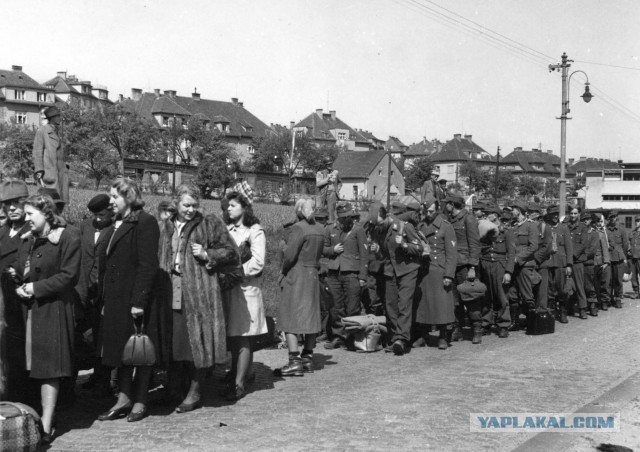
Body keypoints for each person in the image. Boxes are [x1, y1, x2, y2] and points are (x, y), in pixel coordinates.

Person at [10, 194, 80, 444]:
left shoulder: (68, 236)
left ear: (46, 213)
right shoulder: (29, 238)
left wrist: (35, 288)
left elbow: (68, 276)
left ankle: (47, 425)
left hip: (54, 309)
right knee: (33, 366)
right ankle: (34, 418)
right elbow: (22, 267)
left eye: (30, 214)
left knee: (49, 369)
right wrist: (18, 277)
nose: (26, 218)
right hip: (31, 310)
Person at [98, 177, 160, 423]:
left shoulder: (145, 222)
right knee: (121, 351)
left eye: (115, 196)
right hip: (115, 298)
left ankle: (141, 400)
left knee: (139, 350)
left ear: (129, 197)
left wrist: (139, 302)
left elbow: (147, 266)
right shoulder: (117, 222)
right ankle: (123, 398)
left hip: (133, 299)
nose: (110, 201)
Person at [222, 190, 268, 401]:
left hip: (246, 289)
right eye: (227, 205)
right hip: (229, 289)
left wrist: (234, 272)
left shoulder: (255, 231)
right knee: (233, 334)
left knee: (242, 336)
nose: (228, 208)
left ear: (244, 207)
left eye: (232, 205)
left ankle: (239, 384)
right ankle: (241, 372)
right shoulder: (227, 229)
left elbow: (258, 261)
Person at [275, 198, 324, 376]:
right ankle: (307, 358)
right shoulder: (320, 229)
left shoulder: (299, 228)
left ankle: (294, 360)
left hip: (297, 276)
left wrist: (282, 267)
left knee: (289, 317)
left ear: (301, 210)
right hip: (313, 275)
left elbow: (290, 256)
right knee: (311, 317)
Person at [75, 194, 115, 394]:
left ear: (110, 212)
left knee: (103, 336)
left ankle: (104, 377)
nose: (99, 219)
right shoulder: (84, 226)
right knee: (85, 334)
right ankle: (92, 374)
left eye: (102, 215)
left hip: (103, 290)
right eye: (95, 215)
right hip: (84, 287)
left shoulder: (115, 228)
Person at [372, 201, 423, 355]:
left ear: (386, 216)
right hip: (390, 270)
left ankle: (402, 338)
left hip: (407, 270)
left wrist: (406, 246)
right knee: (391, 305)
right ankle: (395, 337)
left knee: (404, 304)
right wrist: (377, 251)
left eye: (379, 222)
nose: (378, 226)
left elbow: (419, 248)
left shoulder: (403, 226)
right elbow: (384, 255)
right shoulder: (379, 229)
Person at [0, 179, 31, 402]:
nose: (11, 208)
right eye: (6, 203)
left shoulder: (32, 231)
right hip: (3, 303)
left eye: (16, 203)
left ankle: (25, 402)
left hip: (24, 302)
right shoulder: (2, 232)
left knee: (23, 353)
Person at [413, 195, 456, 350]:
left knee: (441, 305)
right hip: (424, 270)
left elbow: (452, 253)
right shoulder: (421, 226)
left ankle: (443, 337)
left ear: (437, 210)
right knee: (423, 305)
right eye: (426, 211)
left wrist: (449, 275)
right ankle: (423, 336)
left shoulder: (446, 226)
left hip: (440, 269)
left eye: (431, 211)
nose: (429, 214)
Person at [323, 203, 368, 349]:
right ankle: (338, 336)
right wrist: (332, 250)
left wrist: (362, 276)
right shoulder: (330, 229)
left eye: (347, 217)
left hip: (352, 272)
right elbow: (323, 248)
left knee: (353, 307)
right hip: (334, 272)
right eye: (342, 218)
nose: (345, 220)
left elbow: (364, 254)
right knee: (336, 307)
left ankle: (353, 337)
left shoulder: (358, 230)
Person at [444, 194, 481, 343]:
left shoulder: (468, 219)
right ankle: (457, 329)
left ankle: (477, 330)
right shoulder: (449, 220)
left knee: (470, 298)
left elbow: (474, 244)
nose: (445, 206)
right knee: (454, 300)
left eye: (447, 203)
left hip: (465, 265)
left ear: (452, 205)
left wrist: (473, 266)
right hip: (452, 264)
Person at [478, 205, 514, 338]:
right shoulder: (483, 230)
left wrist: (508, 272)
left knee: (502, 296)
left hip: (499, 265)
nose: (486, 215)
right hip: (485, 264)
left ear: (496, 215)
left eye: (489, 214)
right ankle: (486, 323)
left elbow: (511, 253)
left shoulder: (506, 232)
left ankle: (503, 324)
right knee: (486, 295)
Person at [506, 202, 539, 331]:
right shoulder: (513, 227)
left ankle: (533, 322)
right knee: (513, 294)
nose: (511, 211)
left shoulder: (531, 226)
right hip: (513, 265)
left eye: (513, 209)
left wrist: (519, 258)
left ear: (519, 210)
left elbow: (533, 246)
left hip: (525, 265)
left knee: (527, 294)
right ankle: (515, 322)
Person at [537, 206, 573, 323]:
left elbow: (569, 247)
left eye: (557, 214)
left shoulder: (564, 228)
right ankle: (551, 312)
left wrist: (569, 264)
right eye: (553, 214)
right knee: (548, 289)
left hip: (560, 263)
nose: (555, 216)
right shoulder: (544, 227)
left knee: (561, 289)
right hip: (547, 262)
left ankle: (563, 312)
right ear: (548, 215)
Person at [32, 105, 69, 205]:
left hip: (60, 172)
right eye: (58, 116)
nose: (60, 118)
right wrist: (39, 170)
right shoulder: (42, 131)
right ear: (52, 118)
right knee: (48, 202)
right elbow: (37, 152)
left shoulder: (57, 132)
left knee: (60, 202)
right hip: (49, 173)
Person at [567, 206, 590, 319]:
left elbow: (583, 244)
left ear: (579, 214)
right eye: (571, 213)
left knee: (579, 286)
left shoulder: (583, 227)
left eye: (575, 213)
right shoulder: (565, 226)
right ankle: (569, 307)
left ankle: (582, 309)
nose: (573, 216)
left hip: (577, 261)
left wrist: (571, 255)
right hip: (566, 261)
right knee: (566, 286)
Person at [605, 211, 628, 309]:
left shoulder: (622, 229)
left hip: (619, 258)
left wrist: (623, 257)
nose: (613, 219)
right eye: (611, 217)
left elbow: (625, 245)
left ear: (617, 217)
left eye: (614, 217)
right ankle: (609, 298)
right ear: (608, 219)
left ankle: (618, 298)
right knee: (609, 280)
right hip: (609, 258)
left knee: (618, 280)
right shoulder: (606, 230)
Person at [316, 157, 341, 222]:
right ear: (325, 165)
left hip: (332, 193)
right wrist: (327, 179)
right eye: (328, 164)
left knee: (332, 211)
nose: (330, 165)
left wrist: (337, 190)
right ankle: (323, 224)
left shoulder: (335, 172)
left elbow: (340, 182)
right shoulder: (320, 173)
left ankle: (332, 224)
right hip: (323, 194)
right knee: (322, 210)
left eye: (330, 164)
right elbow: (318, 184)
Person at [627, 215, 640, 299]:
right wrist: (628, 250)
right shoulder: (632, 233)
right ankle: (636, 291)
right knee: (633, 276)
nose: (637, 222)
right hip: (632, 257)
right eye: (636, 220)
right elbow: (629, 243)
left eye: (639, 220)